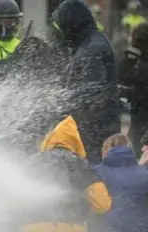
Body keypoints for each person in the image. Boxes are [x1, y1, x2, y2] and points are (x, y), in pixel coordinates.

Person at [21, 115, 111, 232]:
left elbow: (16, 197)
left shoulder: (32, 162)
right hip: (70, 230)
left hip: (34, 230)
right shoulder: (81, 165)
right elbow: (102, 204)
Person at [51, 0, 120, 164]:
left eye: (62, 28)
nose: (60, 33)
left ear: (72, 25)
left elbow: (93, 90)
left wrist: (60, 100)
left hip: (95, 133)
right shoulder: (86, 44)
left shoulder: (92, 48)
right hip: (89, 129)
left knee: (93, 179)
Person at [92, 134, 148, 232]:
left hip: (109, 229)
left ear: (107, 150)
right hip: (140, 231)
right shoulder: (144, 173)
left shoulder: (98, 170)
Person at [119, 22, 148, 157]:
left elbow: (124, 75)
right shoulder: (141, 61)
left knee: (137, 149)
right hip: (139, 114)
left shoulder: (141, 63)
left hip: (141, 116)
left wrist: (131, 54)